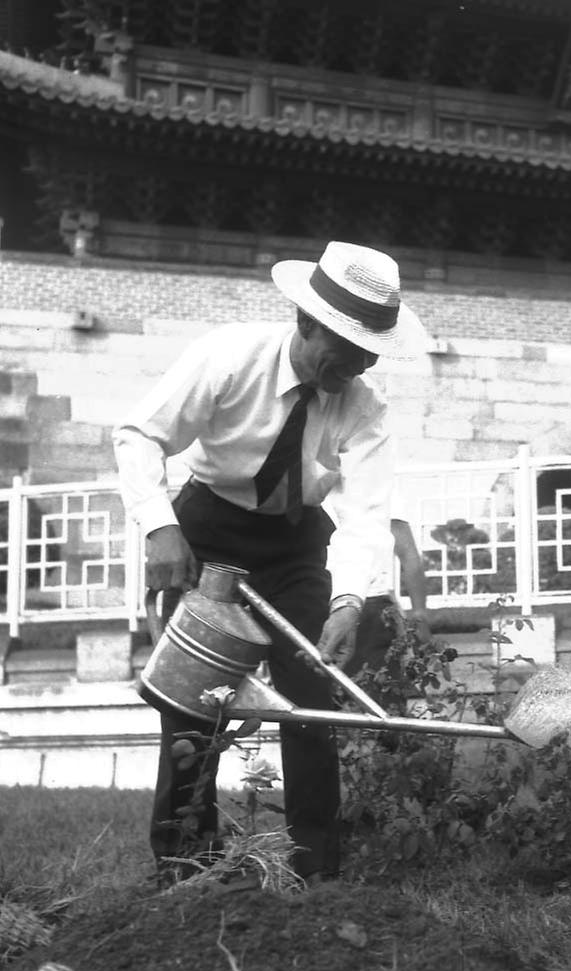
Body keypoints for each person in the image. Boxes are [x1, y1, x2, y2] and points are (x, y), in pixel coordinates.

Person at [113, 241, 428, 883]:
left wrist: (348, 602)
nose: (358, 365)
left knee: (312, 695)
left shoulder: (365, 408)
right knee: (193, 704)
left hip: (296, 544)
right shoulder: (229, 357)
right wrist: (160, 528)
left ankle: (314, 869)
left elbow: (365, 514)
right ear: (306, 323)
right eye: (345, 347)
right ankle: (184, 863)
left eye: (369, 351)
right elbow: (140, 434)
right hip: (207, 532)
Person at [342, 499, 432, 716]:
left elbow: (409, 557)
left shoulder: (379, 491)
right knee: (381, 703)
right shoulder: (379, 488)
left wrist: (419, 615)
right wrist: (419, 614)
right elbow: (410, 556)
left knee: (380, 697)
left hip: (366, 606)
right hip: (362, 605)